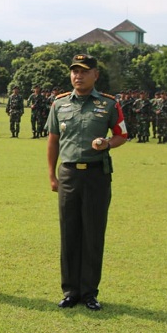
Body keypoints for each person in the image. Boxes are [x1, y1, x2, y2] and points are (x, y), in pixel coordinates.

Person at [45, 54, 127, 311]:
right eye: (74, 71)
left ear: (95, 75)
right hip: (69, 174)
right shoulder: (59, 104)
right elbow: (53, 140)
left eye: (83, 71)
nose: (77, 76)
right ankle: (70, 291)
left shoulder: (109, 104)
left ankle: (90, 292)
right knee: (69, 233)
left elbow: (122, 134)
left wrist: (107, 143)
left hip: (96, 176)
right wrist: (51, 174)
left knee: (92, 233)